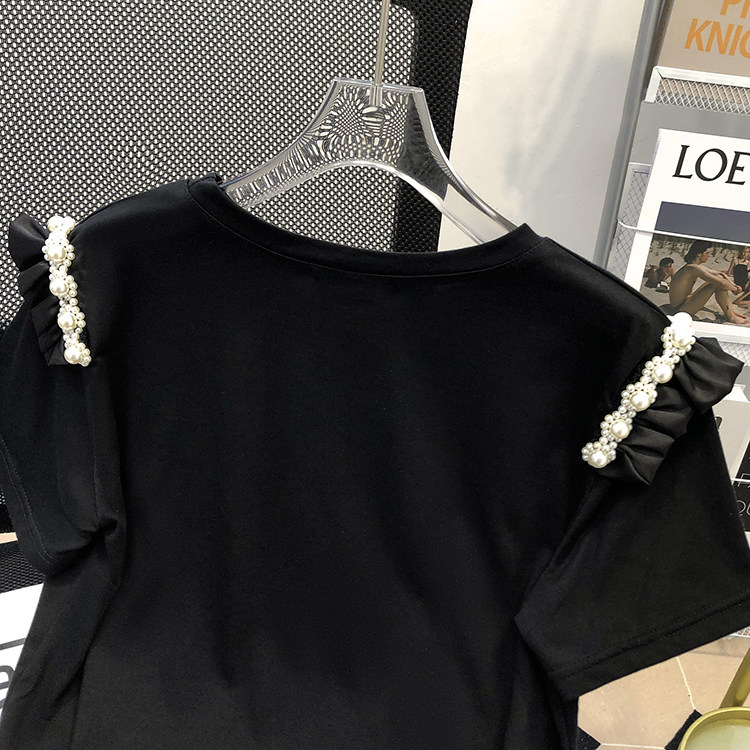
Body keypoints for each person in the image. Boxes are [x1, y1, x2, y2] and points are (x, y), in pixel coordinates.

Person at [663, 240, 748, 325]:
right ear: (699, 254)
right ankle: (731, 316)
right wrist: (735, 289)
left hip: (685, 302)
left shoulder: (693, 266)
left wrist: (735, 286)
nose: (709, 255)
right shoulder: (692, 268)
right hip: (680, 309)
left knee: (718, 280)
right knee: (716, 284)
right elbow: (722, 284)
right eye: (707, 253)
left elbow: (720, 274)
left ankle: (731, 312)